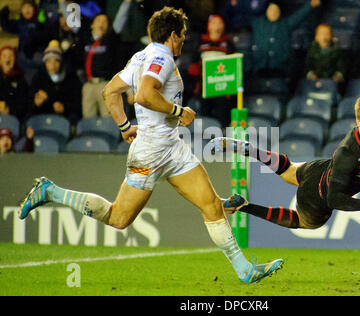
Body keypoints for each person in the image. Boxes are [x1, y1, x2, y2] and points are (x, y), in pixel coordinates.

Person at [18, 6, 282, 284]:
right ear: (171, 35)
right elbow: (143, 95)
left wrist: (123, 127)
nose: (184, 39)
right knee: (118, 218)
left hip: (171, 147)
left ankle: (244, 269)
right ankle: (50, 191)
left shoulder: (141, 57)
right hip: (151, 152)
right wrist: (179, 112)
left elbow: (110, 92)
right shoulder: (162, 56)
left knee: (211, 206)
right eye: (181, 34)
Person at [210, 94, 360, 230]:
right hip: (318, 196)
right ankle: (244, 206)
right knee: (304, 223)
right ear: (358, 122)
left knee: (289, 170)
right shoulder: (348, 152)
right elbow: (334, 200)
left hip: (319, 168)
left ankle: (248, 148)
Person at [187, 14, 235, 127]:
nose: (217, 26)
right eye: (214, 23)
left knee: (222, 118)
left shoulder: (229, 44)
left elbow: (234, 65)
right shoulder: (201, 43)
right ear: (209, 26)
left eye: (220, 23)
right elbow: (193, 66)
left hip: (223, 89)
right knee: (205, 118)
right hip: (205, 89)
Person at [29, 42, 82, 125]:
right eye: (49, 61)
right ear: (45, 62)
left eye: (56, 61)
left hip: (65, 118)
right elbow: (30, 103)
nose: (52, 65)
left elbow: (77, 102)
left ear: (61, 62)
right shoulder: (39, 77)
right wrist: (36, 103)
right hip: (44, 118)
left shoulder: (71, 76)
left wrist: (64, 107)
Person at [0, 46, 29, 123]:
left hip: (13, 120)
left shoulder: (21, 80)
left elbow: (23, 105)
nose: (7, 59)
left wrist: (9, 109)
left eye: (10, 56)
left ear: (15, 59)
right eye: (4, 56)